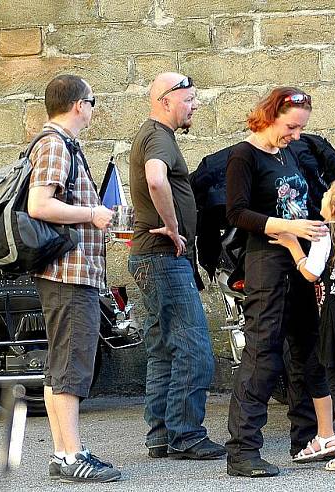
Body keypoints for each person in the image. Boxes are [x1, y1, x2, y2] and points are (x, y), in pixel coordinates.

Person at [224, 87, 329, 477]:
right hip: (268, 264)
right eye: (291, 127)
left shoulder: (285, 152)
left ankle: (305, 440)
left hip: (299, 261)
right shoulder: (243, 155)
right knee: (262, 354)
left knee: (306, 349)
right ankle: (242, 451)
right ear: (269, 116)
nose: (297, 135)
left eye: (301, 128)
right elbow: (236, 212)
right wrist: (290, 227)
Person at [27, 74, 120, 482]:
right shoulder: (55, 143)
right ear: (80, 105)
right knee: (69, 367)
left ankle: (67, 451)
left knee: (62, 365)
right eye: (93, 100)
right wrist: (92, 214)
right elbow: (39, 204)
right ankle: (69, 456)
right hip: (67, 274)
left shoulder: (61, 144)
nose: (94, 108)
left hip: (68, 273)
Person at [128, 72, 226, 460]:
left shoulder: (156, 135)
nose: (195, 105)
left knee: (164, 349)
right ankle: (186, 434)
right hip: (162, 257)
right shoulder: (156, 135)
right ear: (166, 100)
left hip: (151, 257)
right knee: (195, 348)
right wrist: (171, 225)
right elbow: (156, 180)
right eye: (189, 99)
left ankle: (161, 435)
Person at [271, 178, 335, 472]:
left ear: (333, 208)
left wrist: (292, 245)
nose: (323, 195)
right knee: (323, 373)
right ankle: (326, 436)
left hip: (333, 318)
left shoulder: (324, 233)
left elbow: (311, 273)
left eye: (327, 194)